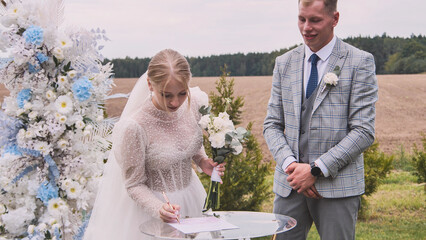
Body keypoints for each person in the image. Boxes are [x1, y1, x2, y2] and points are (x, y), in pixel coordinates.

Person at [263, 0, 378, 239]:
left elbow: (363, 131)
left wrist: (316, 170)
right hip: (290, 185)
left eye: (315, 20)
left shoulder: (359, 62)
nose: (306, 28)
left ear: (334, 19)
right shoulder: (284, 63)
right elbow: (272, 124)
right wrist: (290, 166)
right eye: (301, 19)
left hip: (337, 188)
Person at [83, 49, 225, 240]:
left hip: (192, 201)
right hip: (154, 213)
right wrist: (159, 209)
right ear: (150, 84)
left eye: (182, 93)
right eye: (167, 95)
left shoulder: (195, 103)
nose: (175, 102)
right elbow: (134, 184)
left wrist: (201, 160)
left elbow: (188, 138)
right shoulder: (135, 127)